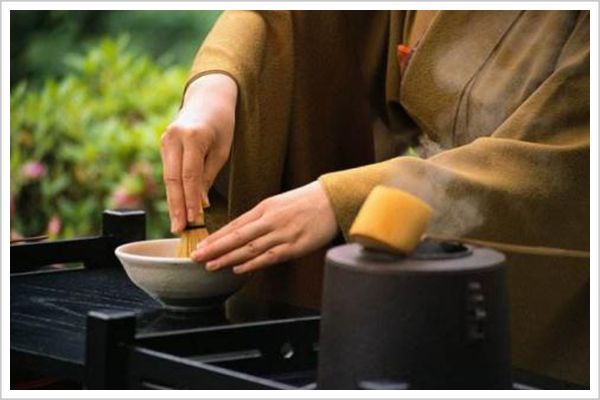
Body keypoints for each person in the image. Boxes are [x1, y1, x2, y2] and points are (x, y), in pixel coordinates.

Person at [160, 11, 589, 385]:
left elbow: (571, 163)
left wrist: (346, 199)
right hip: (413, 280)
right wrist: (218, 84)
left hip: (542, 298)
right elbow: (301, 17)